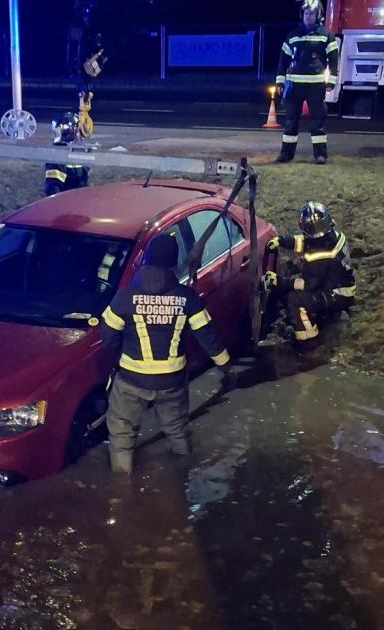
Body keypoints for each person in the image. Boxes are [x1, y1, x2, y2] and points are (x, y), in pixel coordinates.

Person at [100, 235, 234, 474]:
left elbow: (108, 334)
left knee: (122, 431)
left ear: (147, 259)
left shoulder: (125, 297)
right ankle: (182, 479)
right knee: (177, 428)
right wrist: (225, 366)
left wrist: (121, 358)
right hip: (171, 380)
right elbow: (208, 337)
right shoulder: (187, 298)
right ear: (173, 263)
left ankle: (121, 489)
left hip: (131, 379)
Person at [265, 202, 356, 342]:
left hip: (337, 295)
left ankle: (308, 337)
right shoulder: (335, 235)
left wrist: (280, 281)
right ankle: (327, 314)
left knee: (294, 300)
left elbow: (307, 284)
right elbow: (307, 242)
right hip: (342, 286)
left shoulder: (318, 255)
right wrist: (282, 241)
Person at [274, 0, 339, 165]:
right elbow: (283, 61)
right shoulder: (293, 35)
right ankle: (286, 154)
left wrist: (331, 80)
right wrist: (280, 82)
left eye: (312, 14)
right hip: (294, 86)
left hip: (316, 86)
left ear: (318, 16)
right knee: (290, 121)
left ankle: (320, 155)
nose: (308, 17)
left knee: (317, 121)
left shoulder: (326, 35)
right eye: (306, 13)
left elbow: (333, 60)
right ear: (302, 15)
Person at [45, 112, 90, 196]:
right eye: (78, 131)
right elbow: (54, 187)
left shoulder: (77, 151)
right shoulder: (59, 154)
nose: (80, 135)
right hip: (66, 203)